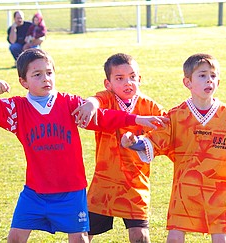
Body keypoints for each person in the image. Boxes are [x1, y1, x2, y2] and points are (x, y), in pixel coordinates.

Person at [0, 49, 168, 242]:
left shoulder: (69, 103)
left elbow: (102, 118)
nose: (46, 79)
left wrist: (137, 119)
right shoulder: (18, 109)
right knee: (15, 238)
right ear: (23, 82)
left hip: (72, 191)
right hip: (34, 191)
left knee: (79, 238)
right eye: (37, 75)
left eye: (49, 73)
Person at [121, 53, 226, 243]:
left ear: (218, 82)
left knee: (221, 238)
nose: (209, 80)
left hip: (218, 192)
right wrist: (134, 142)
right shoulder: (176, 115)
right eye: (202, 75)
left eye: (213, 76)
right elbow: (156, 140)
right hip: (185, 190)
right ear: (187, 82)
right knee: (175, 236)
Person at [73, 53, 167, 243]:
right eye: (119, 78)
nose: (128, 82)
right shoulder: (107, 99)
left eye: (132, 77)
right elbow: (95, 100)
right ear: (108, 84)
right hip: (104, 183)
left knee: (140, 235)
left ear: (139, 79)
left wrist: (139, 142)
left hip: (135, 184)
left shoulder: (150, 107)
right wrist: (91, 104)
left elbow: (166, 130)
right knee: (83, 235)